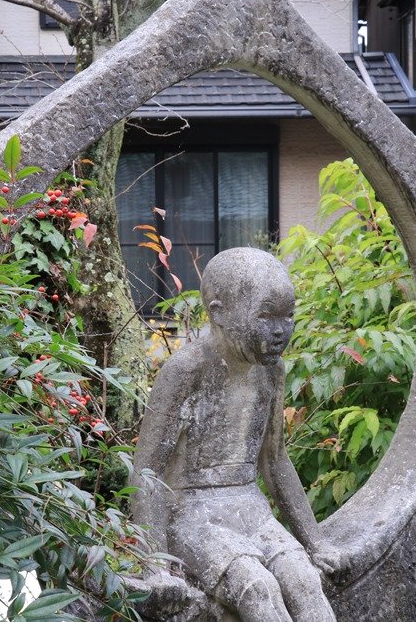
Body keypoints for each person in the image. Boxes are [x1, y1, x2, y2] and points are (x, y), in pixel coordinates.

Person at [131, 248, 336, 622]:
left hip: (250, 508)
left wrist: (316, 542)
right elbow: (147, 472)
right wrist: (155, 563)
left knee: (305, 581)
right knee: (257, 588)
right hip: (191, 515)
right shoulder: (186, 370)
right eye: (265, 316)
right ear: (219, 312)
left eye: (288, 316)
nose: (280, 330)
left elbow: (275, 461)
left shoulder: (271, 371)